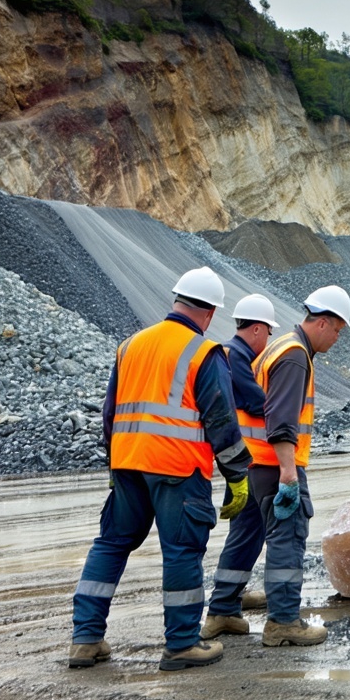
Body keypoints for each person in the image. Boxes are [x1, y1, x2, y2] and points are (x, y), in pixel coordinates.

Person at [70, 267, 252, 672]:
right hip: (176, 467)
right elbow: (221, 419)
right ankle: (182, 644)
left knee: (111, 544)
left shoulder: (130, 345)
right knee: (182, 550)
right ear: (208, 312)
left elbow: (109, 413)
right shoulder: (202, 352)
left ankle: (85, 639)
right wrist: (238, 475)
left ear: (177, 301)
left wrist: (115, 464)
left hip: (128, 462)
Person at [201, 285, 350, 648]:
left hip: (253, 465)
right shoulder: (296, 355)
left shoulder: (277, 346)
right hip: (274, 465)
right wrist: (288, 473)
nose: (336, 338)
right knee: (287, 538)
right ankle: (283, 621)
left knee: (245, 536)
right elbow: (281, 419)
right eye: (337, 330)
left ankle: (222, 610)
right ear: (324, 322)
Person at [199, 294, 279, 629]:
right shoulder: (235, 357)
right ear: (258, 329)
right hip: (245, 462)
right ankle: (223, 607)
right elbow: (258, 402)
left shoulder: (235, 355)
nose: (268, 341)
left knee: (247, 531)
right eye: (268, 333)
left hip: (241, 460)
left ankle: (233, 592)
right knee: (247, 531)